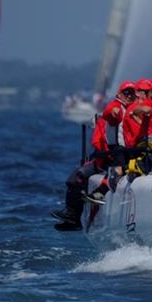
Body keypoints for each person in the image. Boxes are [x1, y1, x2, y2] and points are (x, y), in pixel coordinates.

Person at [52, 81, 137, 231]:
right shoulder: (115, 107)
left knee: (109, 175)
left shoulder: (131, 111)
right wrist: (112, 112)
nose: (129, 96)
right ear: (119, 94)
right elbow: (110, 112)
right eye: (126, 92)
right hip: (105, 158)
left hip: (119, 158)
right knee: (75, 178)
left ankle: (96, 198)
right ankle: (72, 216)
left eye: (132, 93)